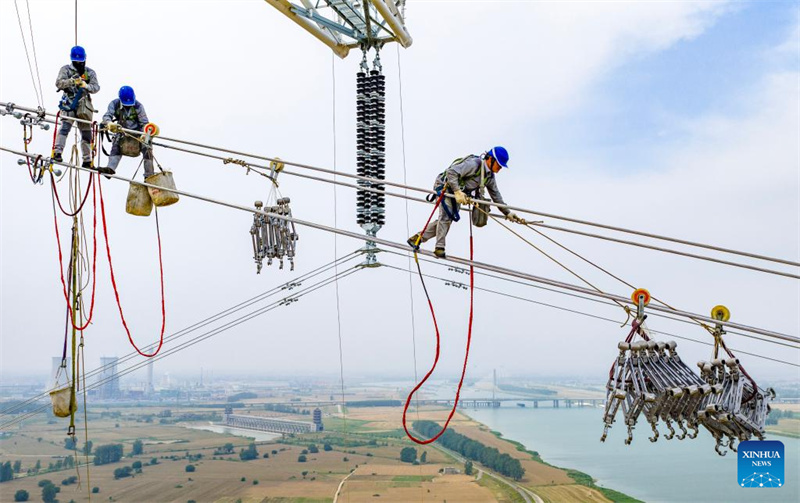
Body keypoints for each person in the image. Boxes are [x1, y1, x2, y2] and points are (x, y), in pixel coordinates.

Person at [408, 146, 524, 258]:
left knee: (447, 219)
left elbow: (496, 195)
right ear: (490, 159)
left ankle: (417, 238)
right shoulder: (474, 164)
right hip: (445, 187)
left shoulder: (489, 177)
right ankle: (439, 248)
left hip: (458, 193)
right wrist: (457, 191)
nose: (500, 168)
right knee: (446, 217)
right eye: (499, 164)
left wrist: (507, 212)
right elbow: (451, 172)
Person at [54, 46, 100, 167]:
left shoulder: (89, 73)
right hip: (69, 104)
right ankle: (57, 152)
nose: (79, 63)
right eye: (76, 61)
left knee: (86, 133)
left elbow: (96, 87)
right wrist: (72, 81)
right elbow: (59, 83)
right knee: (65, 128)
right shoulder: (66, 70)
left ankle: (87, 160)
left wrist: (86, 85)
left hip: (83, 105)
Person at [98, 86, 154, 178]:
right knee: (116, 145)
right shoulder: (115, 104)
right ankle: (110, 168)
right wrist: (109, 123)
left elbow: (144, 123)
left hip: (137, 134)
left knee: (147, 147)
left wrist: (144, 134)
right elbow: (107, 116)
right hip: (122, 132)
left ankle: (149, 175)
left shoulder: (138, 106)